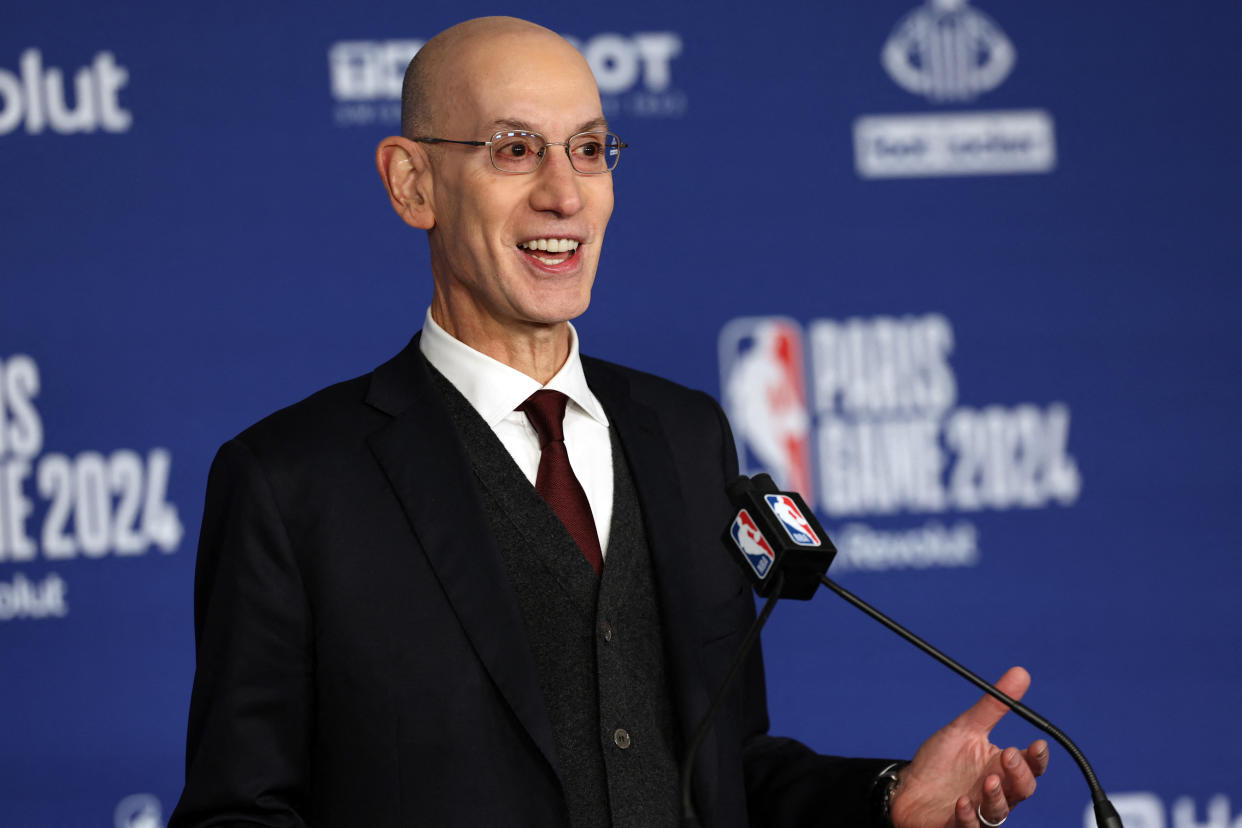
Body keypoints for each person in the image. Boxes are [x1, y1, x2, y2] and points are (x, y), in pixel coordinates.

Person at [170, 16, 1048, 828]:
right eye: (515, 149)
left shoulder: (685, 434)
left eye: (589, 150)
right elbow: (239, 811)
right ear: (413, 183)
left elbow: (726, 768)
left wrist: (889, 798)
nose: (564, 194)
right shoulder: (292, 482)